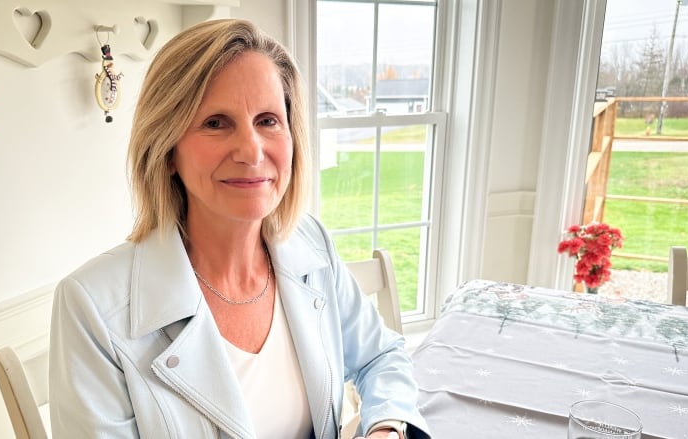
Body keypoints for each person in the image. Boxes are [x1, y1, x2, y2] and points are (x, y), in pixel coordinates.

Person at [49, 18, 430, 439]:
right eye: (216, 122)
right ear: (166, 149)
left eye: (268, 120)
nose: (251, 151)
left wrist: (386, 429)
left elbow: (382, 355)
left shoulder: (310, 243)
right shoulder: (91, 308)